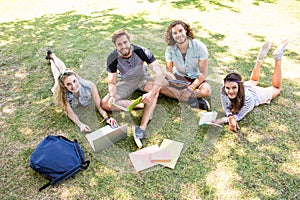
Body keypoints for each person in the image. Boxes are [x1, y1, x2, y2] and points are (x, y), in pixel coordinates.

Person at [101, 29, 165, 148]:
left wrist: (151, 93)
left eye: (125, 42)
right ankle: (141, 105)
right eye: (119, 44)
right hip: (127, 81)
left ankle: (141, 129)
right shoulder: (112, 57)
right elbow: (112, 82)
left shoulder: (142, 51)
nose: (123, 46)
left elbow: (160, 74)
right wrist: (112, 96)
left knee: (155, 90)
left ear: (129, 41)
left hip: (143, 79)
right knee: (105, 104)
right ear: (115, 46)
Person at [214, 39, 289, 132]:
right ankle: (259, 59)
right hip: (246, 87)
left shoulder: (248, 99)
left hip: (256, 95)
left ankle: (278, 58)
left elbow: (239, 116)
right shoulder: (223, 91)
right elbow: (226, 107)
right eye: (227, 88)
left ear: (239, 86)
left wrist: (223, 120)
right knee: (253, 80)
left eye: (234, 87)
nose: (230, 91)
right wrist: (229, 116)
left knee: (277, 88)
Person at [47, 51, 118, 132]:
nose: (73, 86)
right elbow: (70, 113)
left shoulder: (90, 86)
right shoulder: (62, 93)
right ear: (64, 86)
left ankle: (53, 56)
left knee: (64, 69)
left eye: (74, 81)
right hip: (59, 85)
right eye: (69, 84)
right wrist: (80, 124)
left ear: (77, 78)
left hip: (70, 78)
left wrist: (107, 118)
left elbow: (99, 106)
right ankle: (52, 60)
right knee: (57, 76)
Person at [160, 20, 211, 110]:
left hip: (196, 78)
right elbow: (169, 70)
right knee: (160, 86)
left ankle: (176, 95)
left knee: (206, 91)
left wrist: (191, 88)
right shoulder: (170, 49)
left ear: (186, 31)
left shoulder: (199, 46)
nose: (178, 35)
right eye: (175, 33)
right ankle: (192, 100)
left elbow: (203, 73)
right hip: (179, 78)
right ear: (172, 35)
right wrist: (173, 80)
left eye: (180, 31)